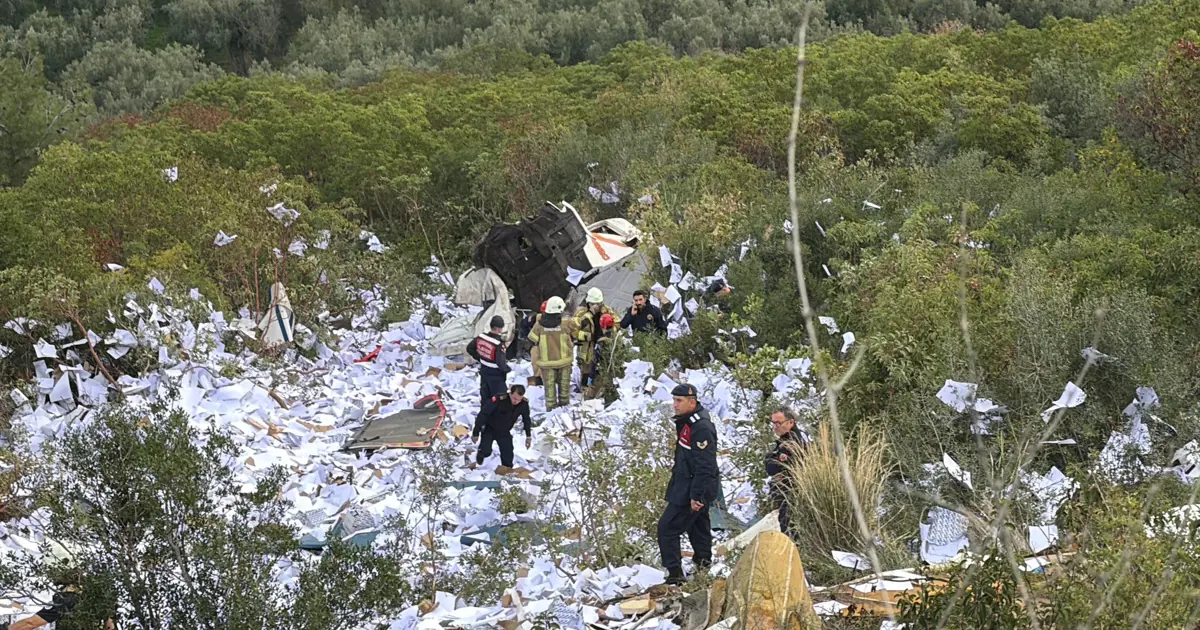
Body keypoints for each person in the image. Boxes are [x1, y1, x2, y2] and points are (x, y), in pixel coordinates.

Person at [657, 383, 720, 585]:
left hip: (692, 488)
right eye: (674, 400)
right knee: (698, 527)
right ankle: (702, 567)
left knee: (667, 528)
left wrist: (697, 496)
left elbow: (705, 466)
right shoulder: (687, 422)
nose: (674, 405)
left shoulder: (701, 427)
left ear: (692, 402)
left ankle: (675, 575)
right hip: (686, 484)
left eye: (679, 401)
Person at [765, 407, 808, 542]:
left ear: (790, 423)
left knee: (790, 529)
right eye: (773, 423)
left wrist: (771, 460)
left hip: (791, 493)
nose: (775, 427)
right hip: (786, 493)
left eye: (779, 423)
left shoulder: (792, 443)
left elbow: (774, 467)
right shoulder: (785, 440)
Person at [528, 296, 573, 411]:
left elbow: (531, 339)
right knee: (564, 389)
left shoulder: (539, 325)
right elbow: (577, 335)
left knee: (550, 390)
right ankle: (564, 409)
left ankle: (551, 410)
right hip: (564, 361)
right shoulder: (566, 323)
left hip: (546, 363)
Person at [472, 384, 532, 468]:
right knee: (486, 451)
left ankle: (506, 472)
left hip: (504, 431)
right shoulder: (499, 400)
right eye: (514, 398)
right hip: (490, 428)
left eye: (519, 399)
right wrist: (476, 432)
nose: (516, 402)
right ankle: (481, 453)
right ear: (510, 393)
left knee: (508, 454)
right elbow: (483, 414)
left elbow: (526, 420)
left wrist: (528, 436)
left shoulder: (523, 404)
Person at [571, 288, 617, 398]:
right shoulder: (581, 313)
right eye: (593, 303)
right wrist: (586, 335)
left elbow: (617, 323)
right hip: (587, 346)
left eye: (598, 303)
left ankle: (600, 390)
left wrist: (610, 333)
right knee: (586, 367)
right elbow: (574, 330)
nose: (596, 306)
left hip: (602, 344)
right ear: (588, 303)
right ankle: (585, 390)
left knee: (602, 367)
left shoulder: (607, 311)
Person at [466, 315, 510, 417]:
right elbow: (500, 363)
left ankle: (484, 420)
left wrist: (480, 358)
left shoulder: (481, 337)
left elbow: (469, 348)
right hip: (496, 376)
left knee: (485, 398)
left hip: (484, 372)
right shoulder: (498, 344)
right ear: (499, 329)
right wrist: (507, 369)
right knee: (501, 398)